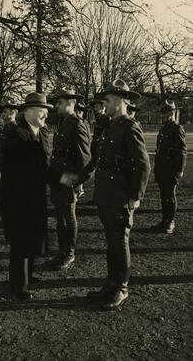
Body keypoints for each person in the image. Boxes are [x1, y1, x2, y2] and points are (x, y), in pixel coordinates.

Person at [61, 79, 151, 309]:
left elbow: (143, 164)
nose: (105, 104)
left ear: (121, 101)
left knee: (120, 242)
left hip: (120, 196)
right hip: (106, 195)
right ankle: (111, 284)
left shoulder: (131, 127)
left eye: (108, 100)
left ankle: (121, 288)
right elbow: (96, 159)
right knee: (112, 243)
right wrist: (79, 178)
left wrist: (135, 195)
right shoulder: (110, 126)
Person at [1, 93, 55, 301]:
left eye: (47, 110)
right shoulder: (18, 136)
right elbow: (35, 169)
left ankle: (28, 276)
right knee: (21, 242)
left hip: (35, 197)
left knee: (33, 238)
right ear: (27, 112)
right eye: (42, 110)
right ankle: (18, 286)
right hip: (19, 199)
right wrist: (62, 177)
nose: (46, 114)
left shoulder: (39, 133)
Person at [49, 89, 91, 270]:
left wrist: (76, 182)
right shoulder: (63, 122)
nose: (56, 106)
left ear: (69, 103)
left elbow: (85, 159)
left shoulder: (77, 124)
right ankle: (61, 252)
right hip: (58, 177)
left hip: (68, 179)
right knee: (60, 217)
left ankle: (69, 254)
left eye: (59, 103)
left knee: (68, 217)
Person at [152, 100, 187, 234]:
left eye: (167, 112)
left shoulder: (177, 128)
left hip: (171, 169)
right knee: (164, 195)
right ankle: (164, 220)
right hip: (162, 168)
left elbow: (182, 151)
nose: (164, 114)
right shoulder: (164, 128)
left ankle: (170, 222)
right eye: (163, 112)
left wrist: (180, 170)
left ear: (173, 112)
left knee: (170, 196)